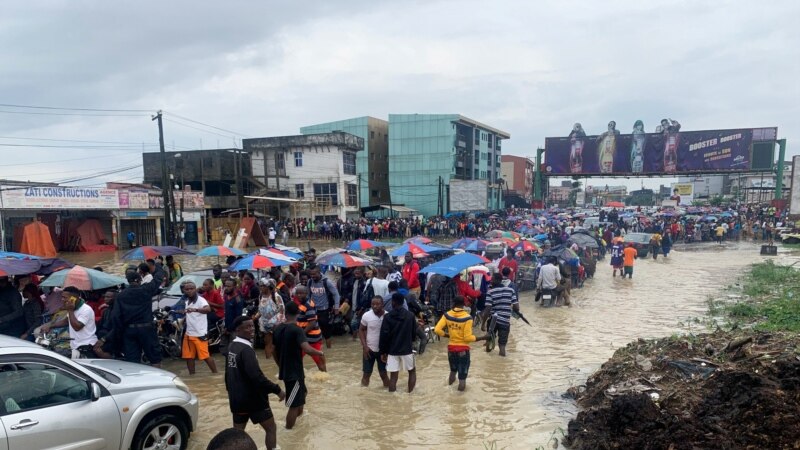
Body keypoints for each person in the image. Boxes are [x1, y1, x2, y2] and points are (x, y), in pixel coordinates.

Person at [225, 316, 285, 450]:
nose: (252, 329)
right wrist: (278, 390)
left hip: (237, 400)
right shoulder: (246, 350)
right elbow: (257, 377)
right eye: (247, 327)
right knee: (271, 428)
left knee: (238, 435)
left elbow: (228, 374)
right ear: (238, 330)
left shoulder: (232, 346)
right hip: (254, 400)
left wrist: (231, 393)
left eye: (252, 326)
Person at [272, 301, 324, 429]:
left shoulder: (278, 328)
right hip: (293, 373)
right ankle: (289, 430)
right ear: (298, 313)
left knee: (303, 393)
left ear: (285, 313)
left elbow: (272, 350)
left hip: (289, 371)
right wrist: (320, 352)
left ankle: (299, 420)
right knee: (293, 405)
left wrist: (280, 365)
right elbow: (307, 349)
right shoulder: (296, 329)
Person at [434, 295, 488, 391]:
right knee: (462, 379)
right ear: (464, 304)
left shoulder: (447, 315)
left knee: (453, 371)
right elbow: (467, 338)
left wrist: (447, 335)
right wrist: (482, 337)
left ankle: (449, 392)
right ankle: (459, 403)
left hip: (451, 349)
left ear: (453, 303)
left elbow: (437, 330)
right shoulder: (468, 318)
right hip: (463, 350)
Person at [112, 270, 164, 366]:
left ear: (128, 281)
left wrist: (121, 332)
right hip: (147, 329)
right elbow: (158, 279)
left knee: (132, 361)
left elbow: (116, 316)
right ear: (139, 280)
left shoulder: (120, 295)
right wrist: (158, 265)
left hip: (129, 331)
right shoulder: (146, 289)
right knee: (155, 358)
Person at [174, 281, 218, 375]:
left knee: (206, 356)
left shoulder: (201, 300)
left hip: (199, 334)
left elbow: (208, 309)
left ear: (195, 289)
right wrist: (184, 317)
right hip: (189, 333)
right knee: (188, 357)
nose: (189, 291)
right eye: (187, 289)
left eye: (191, 289)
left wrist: (196, 309)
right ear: (184, 291)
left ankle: (216, 374)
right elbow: (190, 314)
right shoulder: (187, 301)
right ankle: (192, 376)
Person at [42, 286, 98, 358]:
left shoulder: (86, 310)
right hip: (75, 345)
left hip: (86, 346)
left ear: (74, 298)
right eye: (62, 297)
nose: (62, 300)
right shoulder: (73, 307)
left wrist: (70, 310)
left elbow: (77, 327)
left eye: (65, 297)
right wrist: (50, 326)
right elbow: (66, 321)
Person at [379, 293, 418, 393]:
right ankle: (410, 395)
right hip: (407, 349)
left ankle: (392, 399)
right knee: (412, 372)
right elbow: (414, 333)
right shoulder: (410, 315)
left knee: (393, 376)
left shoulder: (387, 317)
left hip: (392, 351)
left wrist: (383, 352)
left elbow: (384, 336)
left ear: (393, 302)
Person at [481, 273, 519, 357]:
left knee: (489, 342)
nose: (491, 281)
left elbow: (487, 310)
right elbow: (516, 307)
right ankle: (502, 363)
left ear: (498, 280)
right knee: (502, 345)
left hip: (493, 321)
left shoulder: (490, 292)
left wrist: (483, 324)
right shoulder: (510, 291)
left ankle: (488, 362)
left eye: (492, 279)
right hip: (505, 321)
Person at [293, 286, 326, 372]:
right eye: (297, 293)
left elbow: (312, 323)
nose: (299, 295)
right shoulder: (301, 303)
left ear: (306, 294)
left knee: (319, 361)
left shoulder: (308, 305)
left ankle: (325, 378)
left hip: (312, 337)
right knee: (296, 359)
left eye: (301, 293)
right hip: (305, 337)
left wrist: (301, 333)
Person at [359, 296, 389, 387]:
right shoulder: (366, 315)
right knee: (366, 374)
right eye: (373, 304)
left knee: (383, 374)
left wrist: (387, 351)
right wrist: (365, 347)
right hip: (369, 350)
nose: (375, 306)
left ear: (382, 304)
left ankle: (389, 396)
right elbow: (361, 330)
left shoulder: (387, 316)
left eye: (377, 304)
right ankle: (363, 394)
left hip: (382, 351)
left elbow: (390, 334)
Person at [306, 268, 340, 349]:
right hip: (313, 310)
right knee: (314, 331)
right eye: (311, 274)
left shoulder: (326, 282)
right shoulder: (310, 282)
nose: (312, 276)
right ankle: (316, 349)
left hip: (324, 310)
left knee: (326, 333)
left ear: (319, 273)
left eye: (314, 274)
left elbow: (336, 294)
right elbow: (308, 295)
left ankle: (329, 350)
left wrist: (336, 307)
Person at [258, 278, 285, 359]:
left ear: (268, 287)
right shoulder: (260, 296)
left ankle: (279, 361)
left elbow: (281, 311)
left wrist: (274, 324)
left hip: (276, 324)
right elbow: (260, 310)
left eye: (263, 286)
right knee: (268, 343)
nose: (261, 288)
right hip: (265, 324)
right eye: (260, 286)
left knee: (278, 344)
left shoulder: (276, 297)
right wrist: (254, 318)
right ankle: (269, 360)